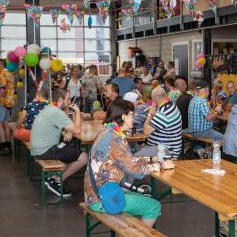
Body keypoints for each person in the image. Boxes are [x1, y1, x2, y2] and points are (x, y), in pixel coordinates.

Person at [84, 99, 173, 227]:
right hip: (102, 198)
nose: (134, 117)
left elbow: (126, 161)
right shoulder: (115, 139)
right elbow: (135, 172)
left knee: (145, 198)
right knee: (154, 206)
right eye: (132, 114)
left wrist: (151, 159)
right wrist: (160, 165)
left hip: (96, 192)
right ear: (124, 116)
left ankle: (133, 231)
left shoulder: (107, 132)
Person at [31, 88, 88, 196]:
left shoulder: (50, 109)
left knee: (68, 148)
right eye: (68, 99)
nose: (70, 102)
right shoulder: (57, 112)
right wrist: (78, 112)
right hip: (45, 150)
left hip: (40, 148)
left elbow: (69, 128)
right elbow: (77, 131)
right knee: (84, 157)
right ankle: (57, 180)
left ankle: (54, 178)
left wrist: (69, 131)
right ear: (61, 99)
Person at [143, 87, 183, 158]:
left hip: (166, 151)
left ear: (154, 99)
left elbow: (146, 132)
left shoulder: (163, 114)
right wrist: (155, 113)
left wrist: (150, 114)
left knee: (132, 156)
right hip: (169, 147)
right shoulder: (171, 105)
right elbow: (164, 120)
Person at [0, 59, 15, 155]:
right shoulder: (9, 73)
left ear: (0, 64)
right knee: (6, 122)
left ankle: (4, 145)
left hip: (2, 101)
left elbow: (2, 89)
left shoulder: (2, 74)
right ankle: (8, 144)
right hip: (9, 101)